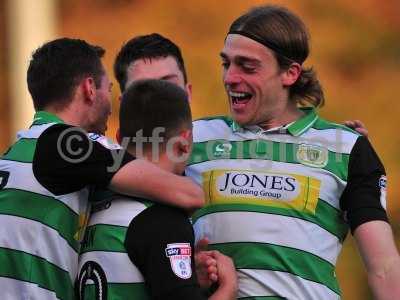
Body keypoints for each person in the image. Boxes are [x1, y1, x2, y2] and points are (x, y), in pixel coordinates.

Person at [187, 5, 400, 299]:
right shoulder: (192, 137)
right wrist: (186, 269)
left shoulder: (347, 147)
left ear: (289, 73)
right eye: (227, 64)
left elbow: (385, 267)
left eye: (247, 67)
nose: (230, 78)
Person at [0, 38, 204, 300]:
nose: (113, 105)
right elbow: (188, 194)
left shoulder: (20, 150)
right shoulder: (65, 145)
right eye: (109, 89)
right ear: (89, 89)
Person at [76, 79, 237, 300]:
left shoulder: (90, 205)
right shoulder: (163, 220)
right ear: (185, 143)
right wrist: (228, 287)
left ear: (120, 138)